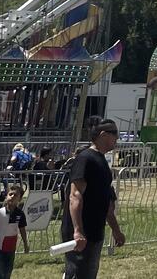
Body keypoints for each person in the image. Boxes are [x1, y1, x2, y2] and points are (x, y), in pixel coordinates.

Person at [60, 118, 124, 279]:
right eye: (115, 134)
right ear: (103, 135)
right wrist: (77, 231)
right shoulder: (85, 159)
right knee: (77, 273)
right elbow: (75, 196)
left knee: (88, 274)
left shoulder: (101, 160)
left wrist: (116, 230)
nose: (117, 138)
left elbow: (108, 202)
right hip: (82, 231)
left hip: (95, 230)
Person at [0, 180, 29, 279]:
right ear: (6, 196)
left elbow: (22, 230)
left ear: (20, 199)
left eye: (15, 195)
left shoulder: (20, 214)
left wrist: (25, 244)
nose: (12, 196)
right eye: (10, 194)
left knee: (8, 269)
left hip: (10, 246)